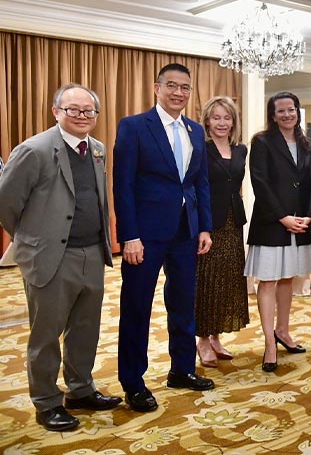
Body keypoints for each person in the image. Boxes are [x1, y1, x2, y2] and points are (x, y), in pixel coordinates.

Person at [0, 84, 120, 431]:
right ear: (56, 112)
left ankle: (81, 390)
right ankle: (47, 402)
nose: (82, 116)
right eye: (73, 109)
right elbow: (6, 203)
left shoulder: (96, 149)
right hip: (51, 257)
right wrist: (33, 240)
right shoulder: (34, 150)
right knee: (46, 334)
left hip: (92, 253)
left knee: (85, 329)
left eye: (88, 110)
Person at [113, 63, 214, 413]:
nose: (178, 92)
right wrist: (129, 235)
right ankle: (133, 382)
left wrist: (204, 227)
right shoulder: (134, 127)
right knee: (137, 307)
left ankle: (182, 369)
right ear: (157, 88)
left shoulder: (195, 130)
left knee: (183, 304)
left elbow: (200, 183)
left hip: (186, 232)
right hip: (145, 236)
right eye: (171, 85)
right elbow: (123, 185)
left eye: (185, 87)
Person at [245, 92, 311, 372]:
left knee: (288, 279)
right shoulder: (261, 142)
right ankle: (269, 344)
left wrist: (308, 216)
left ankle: (283, 331)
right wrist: (283, 217)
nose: (287, 115)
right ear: (273, 116)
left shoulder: (308, 145)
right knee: (268, 282)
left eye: (292, 109)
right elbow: (259, 183)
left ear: (298, 112)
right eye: (281, 111)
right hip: (271, 223)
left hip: (300, 223)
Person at [194, 96, 249, 368]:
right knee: (207, 282)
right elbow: (196, 186)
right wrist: (200, 226)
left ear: (233, 121)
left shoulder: (241, 149)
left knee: (227, 281)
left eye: (227, 118)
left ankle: (216, 337)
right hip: (208, 223)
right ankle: (202, 339)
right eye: (216, 117)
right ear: (207, 120)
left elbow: (235, 184)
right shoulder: (200, 148)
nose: (222, 123)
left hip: (233, 222)